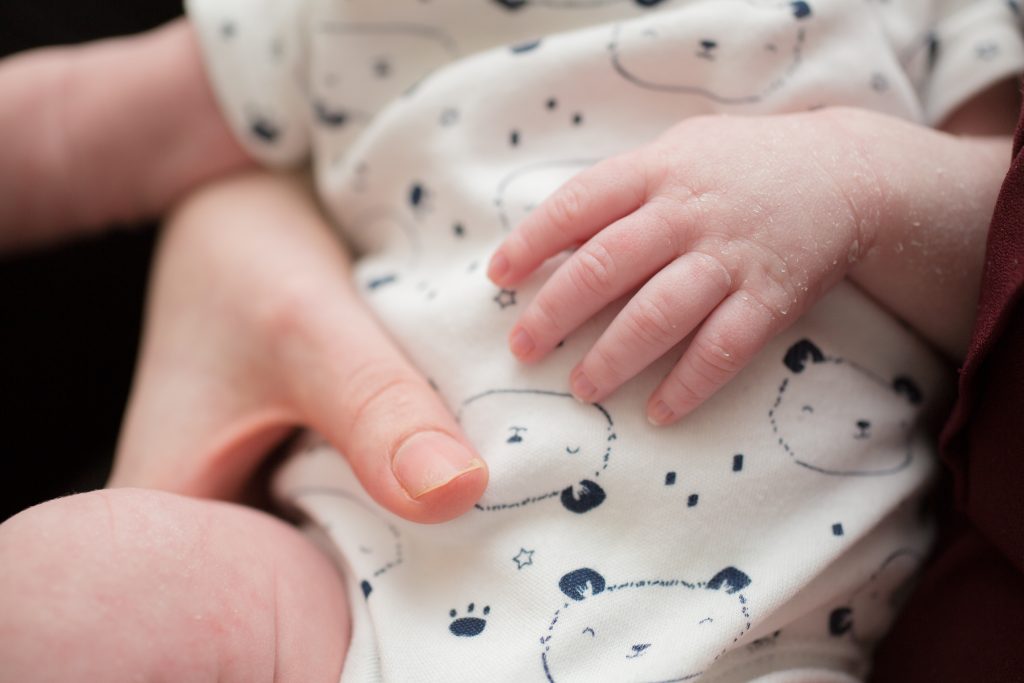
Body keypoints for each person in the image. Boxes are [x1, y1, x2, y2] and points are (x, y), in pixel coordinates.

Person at [0, 1, 1021, 681]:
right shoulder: (328, 19)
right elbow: (57, 132)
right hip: (347, 600)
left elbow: (1004, 233)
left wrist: (854, 183)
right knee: (75, 580)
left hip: (750, 646)